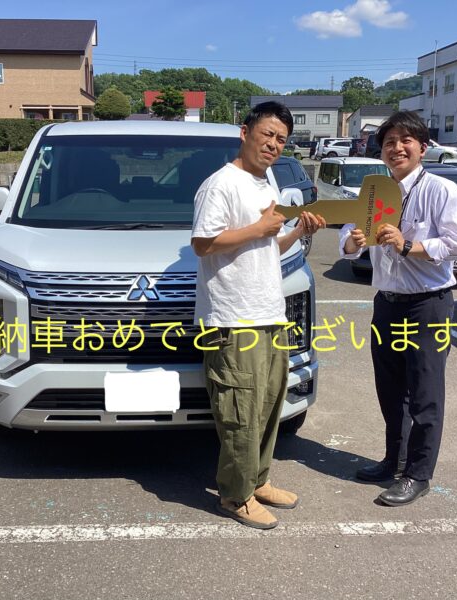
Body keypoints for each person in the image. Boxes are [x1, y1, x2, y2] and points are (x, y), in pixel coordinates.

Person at [191, 101, 325, 529]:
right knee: (240, 411)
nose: (273, 144)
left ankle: (257, 480)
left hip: (268, 313)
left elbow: (267, 246)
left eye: (281, 139)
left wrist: (296, 231)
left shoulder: (266, 183)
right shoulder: (220, 185)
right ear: (245, 132)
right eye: (267, 134)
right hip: (233, 319)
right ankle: (235, 496)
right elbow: (202, 243)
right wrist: (258, 229)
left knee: (267, 405)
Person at [339, 110, 457, 506]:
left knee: (425, 392)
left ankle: (418, 474)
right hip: (387, 303)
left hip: (428, 305)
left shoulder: (442, 191)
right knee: (390, 388)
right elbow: (348, 238)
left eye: (405, 141)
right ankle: (393, 460)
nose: (396, 148)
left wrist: (409, 245)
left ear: (422, 148)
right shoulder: (375, 190)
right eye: (389, 142)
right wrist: (352, 242)